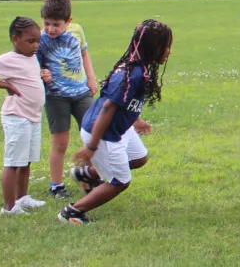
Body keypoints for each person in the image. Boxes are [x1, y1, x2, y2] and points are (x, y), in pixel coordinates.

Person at [59, 19, 170, 225]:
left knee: (139, 158)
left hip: (118, 129)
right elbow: (108, 107)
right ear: (154, 48)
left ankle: (86, 175)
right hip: (104, 134)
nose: (168, 52)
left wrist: (136, 120)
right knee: (120, 181)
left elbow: (123, 103)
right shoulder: (131, 74)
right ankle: (72, 212)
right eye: (166, 46)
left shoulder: (139, 69)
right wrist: (92, 147)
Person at [0, 17, 49, 215]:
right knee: (13, 162)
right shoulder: (7, 59)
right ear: (15, 39)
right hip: (17, 116)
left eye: (37, 41)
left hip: (33, 116)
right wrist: (6, 85)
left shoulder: (31, 57)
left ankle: (22, 197)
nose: (35, 46)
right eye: (30, 41)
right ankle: (8, 207)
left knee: (26, 161)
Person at [36, 0, 97, 198]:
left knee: (92, 138)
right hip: (56, 96)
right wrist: (42, 72)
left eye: (56, 24)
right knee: (60, 142)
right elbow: (35, 65)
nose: (50, 29)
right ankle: (56, 185)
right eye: (46, 23)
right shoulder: (40, 39)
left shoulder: (77, 31)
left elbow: (84, 53)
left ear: (68, 21)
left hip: (82, 93)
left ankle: (89, 177)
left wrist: (91, 78)